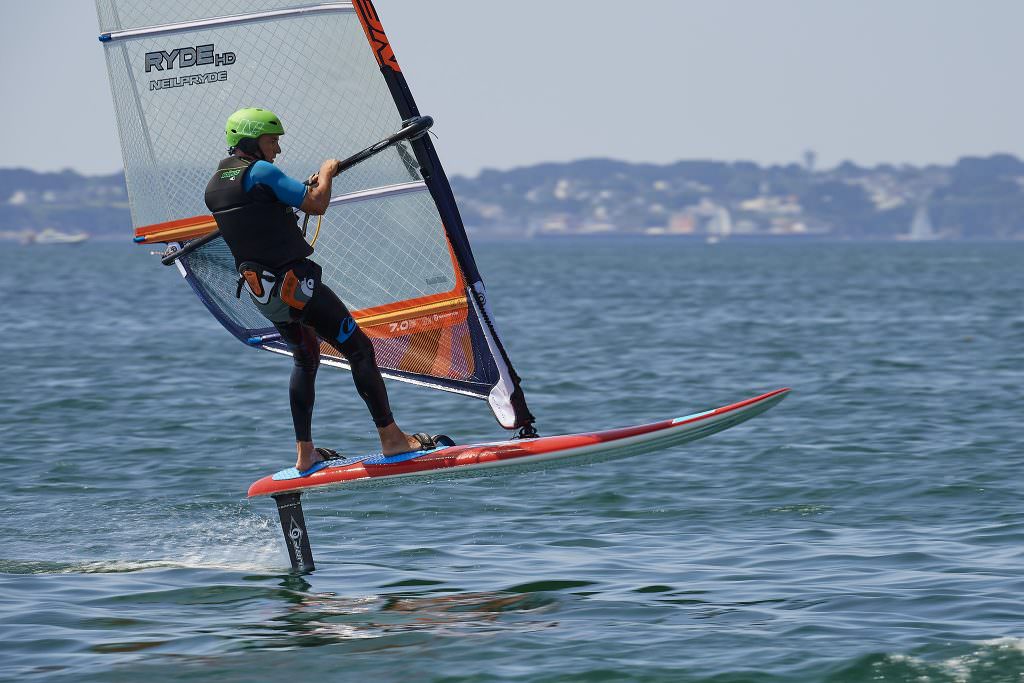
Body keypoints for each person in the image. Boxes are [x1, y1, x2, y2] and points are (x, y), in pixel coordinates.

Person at [204, 107, 438, 473]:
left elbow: (260, 218)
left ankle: (304, 454)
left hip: (264, 296)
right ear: (250, 142)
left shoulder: (216, 184)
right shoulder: (260, 171)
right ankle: (391, 437)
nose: (277, 150)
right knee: (359, 348)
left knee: (306, 358)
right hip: (296, 287)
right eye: (271, 140)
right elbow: (316, 204)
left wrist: (294, 193)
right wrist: (327, 174)